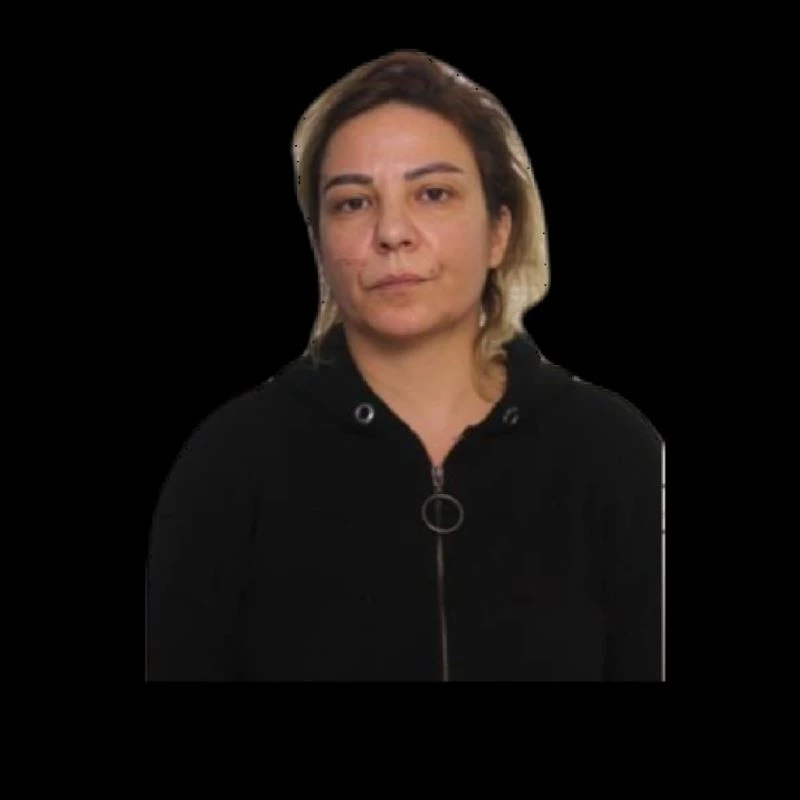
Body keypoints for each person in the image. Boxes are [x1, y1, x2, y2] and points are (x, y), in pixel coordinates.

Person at [145, 49, 664, 681]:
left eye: (433, 193)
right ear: (319, 245)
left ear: (499, 231)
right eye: (352, 203)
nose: (393, 232)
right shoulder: (228, 465)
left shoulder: (615, 452)